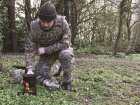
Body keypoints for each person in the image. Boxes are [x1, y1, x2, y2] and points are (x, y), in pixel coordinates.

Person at [25, 2, 74, 91]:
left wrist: (45, 49)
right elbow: (30, 50)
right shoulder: (34, 26)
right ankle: (57, 68)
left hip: (61, 50)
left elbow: (66, 43)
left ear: (54, 19)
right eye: (43, 21)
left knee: (66, 55)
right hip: (46, 55)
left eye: (48, 22)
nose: (45, 24)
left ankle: (67, 82)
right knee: (39, 76)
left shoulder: (62, 23)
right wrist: (29, 69)